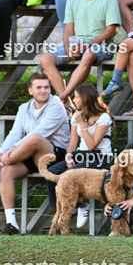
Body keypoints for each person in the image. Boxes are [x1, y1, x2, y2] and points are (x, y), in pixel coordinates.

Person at [0, 72, 70, 235]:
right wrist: (1, 153)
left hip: (55, 156)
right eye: (39, 87)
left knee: (35, 137)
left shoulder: (56, 105)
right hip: (31, 154)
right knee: (7, 171)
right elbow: (15, 134)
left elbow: (41, 132)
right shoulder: (24, 108)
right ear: (31, 91)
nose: (43, 91)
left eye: (46, 87)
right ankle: (11, 224)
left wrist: (10, 151)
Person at [38, 0, 119, 103]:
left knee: (88, 55)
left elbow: (112, 30)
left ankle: (62, 97)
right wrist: (68, 47)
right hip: (77, 43)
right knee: (45, 59)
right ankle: (68, 102)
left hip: (101, 45)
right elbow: (68, 28)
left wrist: (89, 44)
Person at [43, 83, 115, 228]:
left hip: (100, 157)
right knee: (51, 173)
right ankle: (73, 206)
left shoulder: (104, 117)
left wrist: (82, 123)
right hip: (81, 155)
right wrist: (69, 156)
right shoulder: (76, 117)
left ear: (85, 99)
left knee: (70, 175)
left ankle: (78, 206)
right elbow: (72, 144)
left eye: (76, 98)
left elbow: (92, 145)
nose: (74, 101)